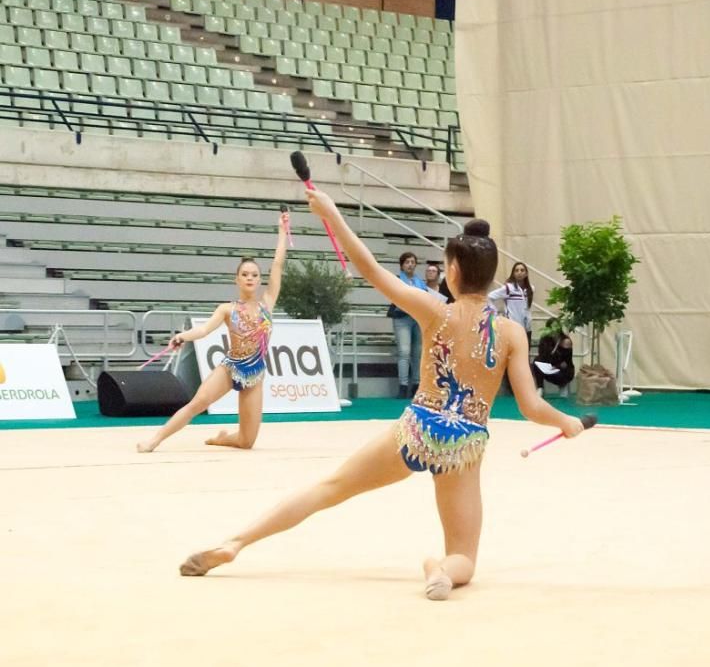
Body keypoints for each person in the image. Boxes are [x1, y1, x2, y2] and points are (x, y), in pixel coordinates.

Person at [178, 192, 585, 601]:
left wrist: (333, 216)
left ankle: (237, 542)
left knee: (330, 487)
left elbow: (371, 270)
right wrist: (565, 422)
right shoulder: (511, 332)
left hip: (418, 428)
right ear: (492, 275)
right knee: (463, 555)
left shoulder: (434, 310)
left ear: (454, 272)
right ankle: (442, 570)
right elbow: (531, 405)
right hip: (463, 444)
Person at [136, 210, 289, 453]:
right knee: (198, 403)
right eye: (245, 274)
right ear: (236, 279)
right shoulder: (227, 309)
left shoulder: (267, 303)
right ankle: (154, 440)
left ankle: (221, 438)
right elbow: (205, 329)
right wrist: (183, 336)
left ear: (260, 280)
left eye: (254, 275)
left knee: (247, 442)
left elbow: (278, 263)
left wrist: (282, 231)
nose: (250, 278)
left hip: (255, 374)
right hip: (232, 367)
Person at [388, 251, 428, 399]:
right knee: (404, 352)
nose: (410, 265)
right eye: (407, 262)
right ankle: (403, 385)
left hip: (417, 318)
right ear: (402, 265)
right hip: (402, 318)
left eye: (412, 262)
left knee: (417, 353)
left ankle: (417, 384)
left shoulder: (420, 282)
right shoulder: (397, 280)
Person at [488, 262, 534, 347]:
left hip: (526, 328)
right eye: (516, 270)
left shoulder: (530, 289)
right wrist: (494, 312)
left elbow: (527, 308)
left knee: (525, 353)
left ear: (526, 273)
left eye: (522, 270)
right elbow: (490, 296)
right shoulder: (509, 288)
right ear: (513, 273)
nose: (519, 272)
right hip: (512, 326)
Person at [532, 330, 575, 398]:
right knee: (536, 361)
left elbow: (566, 363)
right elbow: (542, 355)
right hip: (550, 368)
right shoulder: (545, 340)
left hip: (563, 371)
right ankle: (540, 388)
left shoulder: (565, 341)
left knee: (562, 371)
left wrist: (556, 366)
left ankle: (563, 386)